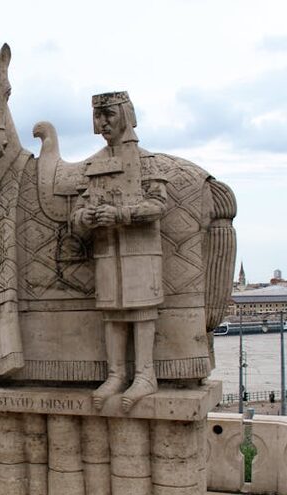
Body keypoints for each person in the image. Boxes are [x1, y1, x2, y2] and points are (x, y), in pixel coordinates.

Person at [71, 91, 166, 412]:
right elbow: (78, 212)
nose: (103, 122)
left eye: (109, 114)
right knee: (112, 314)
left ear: (125, 114)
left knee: (141, 311)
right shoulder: (94, 164)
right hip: (107, 253)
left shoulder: (146, 161)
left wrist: (122, 215)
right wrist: (84, 217)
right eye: (98, 116)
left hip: (140, 254)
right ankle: (116, 374)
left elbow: (158, 205)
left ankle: (145, 374)